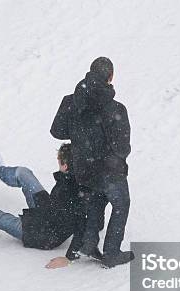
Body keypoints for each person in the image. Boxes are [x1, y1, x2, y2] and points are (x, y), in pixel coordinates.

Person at [50, 56, 133, 268]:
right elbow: (123, 148)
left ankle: (88, 244)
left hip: (84, 169)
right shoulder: (116, 109)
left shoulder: (71, 102)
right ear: (111, 76)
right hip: (110, 170)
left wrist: (80, 134)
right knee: (120, 204)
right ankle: (112, 252)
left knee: (96, 201)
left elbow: (57, 131)